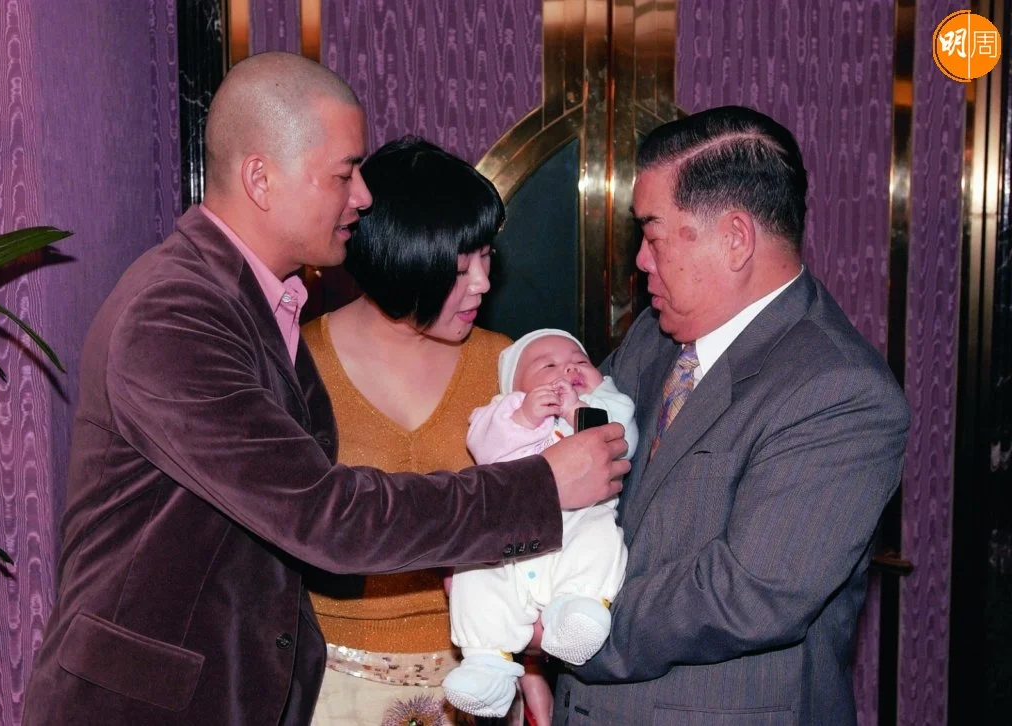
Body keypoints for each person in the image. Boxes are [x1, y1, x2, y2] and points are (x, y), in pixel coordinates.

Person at [22, 52, 629, 726]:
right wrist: (540, 487)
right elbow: (325, 516)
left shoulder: (261, 301)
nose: (363, 196)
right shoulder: (176, 314)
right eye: (344, 174)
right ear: (261, 178)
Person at [551, 105, 910, 725]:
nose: (641, 261)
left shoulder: (839, 389)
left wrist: (563, 630)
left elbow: (751, 593)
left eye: (653, 235)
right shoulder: (655, 336)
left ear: (736, 238)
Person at [303, 136, 533, 726]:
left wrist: (532, 666)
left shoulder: (506, 364)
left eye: (486, 257)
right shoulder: (299, 364)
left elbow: (539, 530)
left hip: (479, 672)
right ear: (398, 262)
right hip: (328, 678)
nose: (482, 283)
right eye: (458, 269)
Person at [444, 329, 637, 719]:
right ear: (514, 386)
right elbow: (487, 450)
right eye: (547, 365)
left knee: (600, 540)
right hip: (511, 539)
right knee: (473, 571)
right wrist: (525, 416)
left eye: (580, 361)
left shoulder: (607, 402)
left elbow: (620, 441)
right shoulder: (504, 410)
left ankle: (577, 613)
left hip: (578, 523)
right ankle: (486, 661)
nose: (567, 370)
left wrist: (578, 410)